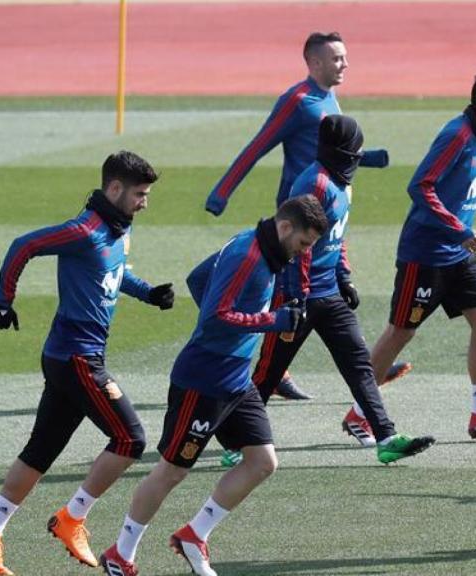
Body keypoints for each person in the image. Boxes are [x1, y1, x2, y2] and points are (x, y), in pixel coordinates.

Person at [0, 152, 172, 576]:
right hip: (78, 358)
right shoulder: (84, 230)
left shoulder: (116, 230)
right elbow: (23, 245)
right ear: (114, 189)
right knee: (130, 439)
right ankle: (73, 518)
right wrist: (3, 303)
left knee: (40, 452)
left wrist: (149, 293)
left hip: (68, 357)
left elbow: (115, 273)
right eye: (139, 194)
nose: (144, 202)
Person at [96, 196, 325, 575]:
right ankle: (121, 554)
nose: (305, 253)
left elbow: (198, 280)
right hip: (203, 381)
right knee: (172, 471)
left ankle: (193, 535)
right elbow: (218, 314)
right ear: (285, 228)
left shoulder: (257, 247)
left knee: (262, 462)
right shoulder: (248, 256)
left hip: (237, 380)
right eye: (303, 244)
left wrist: (233, 331)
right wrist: (272, 321)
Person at [204, 31, 408, 407]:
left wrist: (373, 157)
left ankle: (356, 366)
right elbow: (258, 144)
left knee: (319, 295)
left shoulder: (329, 96)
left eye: (345, 57)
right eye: (336, 58)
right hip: (295, 226)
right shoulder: (296, 100)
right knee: (291, 299)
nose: (344, 64)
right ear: (313, 62)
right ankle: (260, 372)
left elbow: (335, 149)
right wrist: (222, 191)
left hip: (326, 214)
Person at [248, 114, 435, 455]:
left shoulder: (339, 182)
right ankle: (239, 439)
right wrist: (297, 296)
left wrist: (343, 275)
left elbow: (335, 234)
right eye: (354, 154)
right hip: (296, 296)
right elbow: (299, 247)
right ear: (339, 153)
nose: (357, 161)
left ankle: (386, 439)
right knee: (267, 374)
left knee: (360, 366)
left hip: (328, 294)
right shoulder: (315, 184)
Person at [367, 71, 476, 442]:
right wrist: (461, 229)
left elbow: (467, 189)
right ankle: (361, 412)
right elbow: (420, 186)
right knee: (400, 333)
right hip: (425, 254)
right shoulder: (457, 135)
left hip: (457, 252)